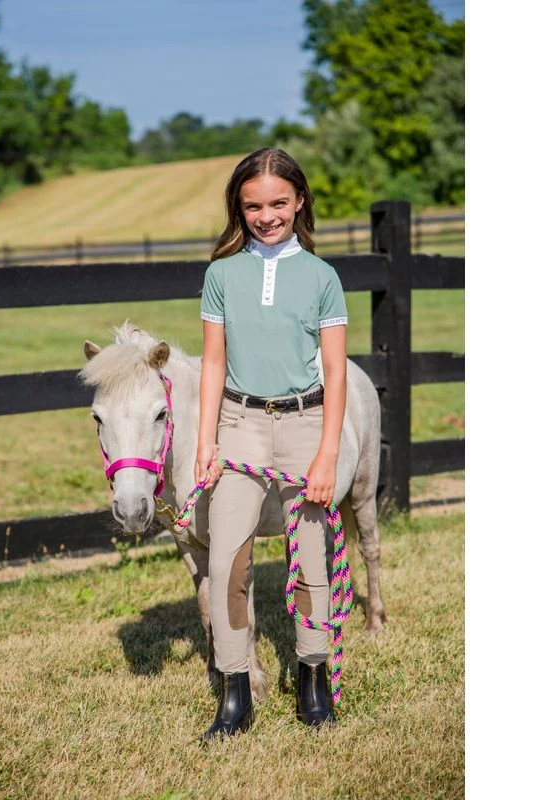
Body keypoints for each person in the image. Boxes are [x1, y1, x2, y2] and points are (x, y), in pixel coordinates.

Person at [195, 147, 348, 741]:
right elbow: (213, 363)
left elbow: (335, 371)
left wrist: (327, 454)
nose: (266, 215)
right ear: (239, 206)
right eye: (253, 205)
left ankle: (313, 676)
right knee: (227, 558)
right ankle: (235, 689)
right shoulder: (222, 274)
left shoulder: (322, 277)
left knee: (310, 560)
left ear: (299, 201)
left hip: (305, 426)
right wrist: (207, 443)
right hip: (241, 426)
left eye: (278, 203)